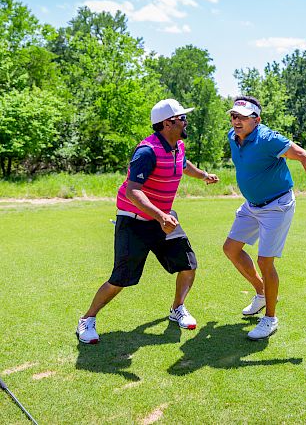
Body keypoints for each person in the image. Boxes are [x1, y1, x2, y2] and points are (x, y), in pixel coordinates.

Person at [76, 99, 219, 344]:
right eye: (182, 118)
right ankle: (87, 319)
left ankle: (177, 309)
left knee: (188, 265)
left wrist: (204, 176)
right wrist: (161, 216)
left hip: (163, 219)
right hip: (134, 221)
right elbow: (133, 191)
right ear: (167, 123)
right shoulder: (147, 151)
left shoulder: (177, 146)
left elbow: (183, 165)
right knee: (121, 278)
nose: (186, 121)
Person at [223, 96, 306, 340]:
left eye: (242, 117)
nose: (236, 121)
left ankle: (270, 319)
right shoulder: (233, 136)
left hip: (277, 206)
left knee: (265, 262)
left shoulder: (269, 139)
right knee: (231, 249)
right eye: (233, 116)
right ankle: (261, 292)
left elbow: (305, 155)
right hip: (252, 205)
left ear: (256, 120)